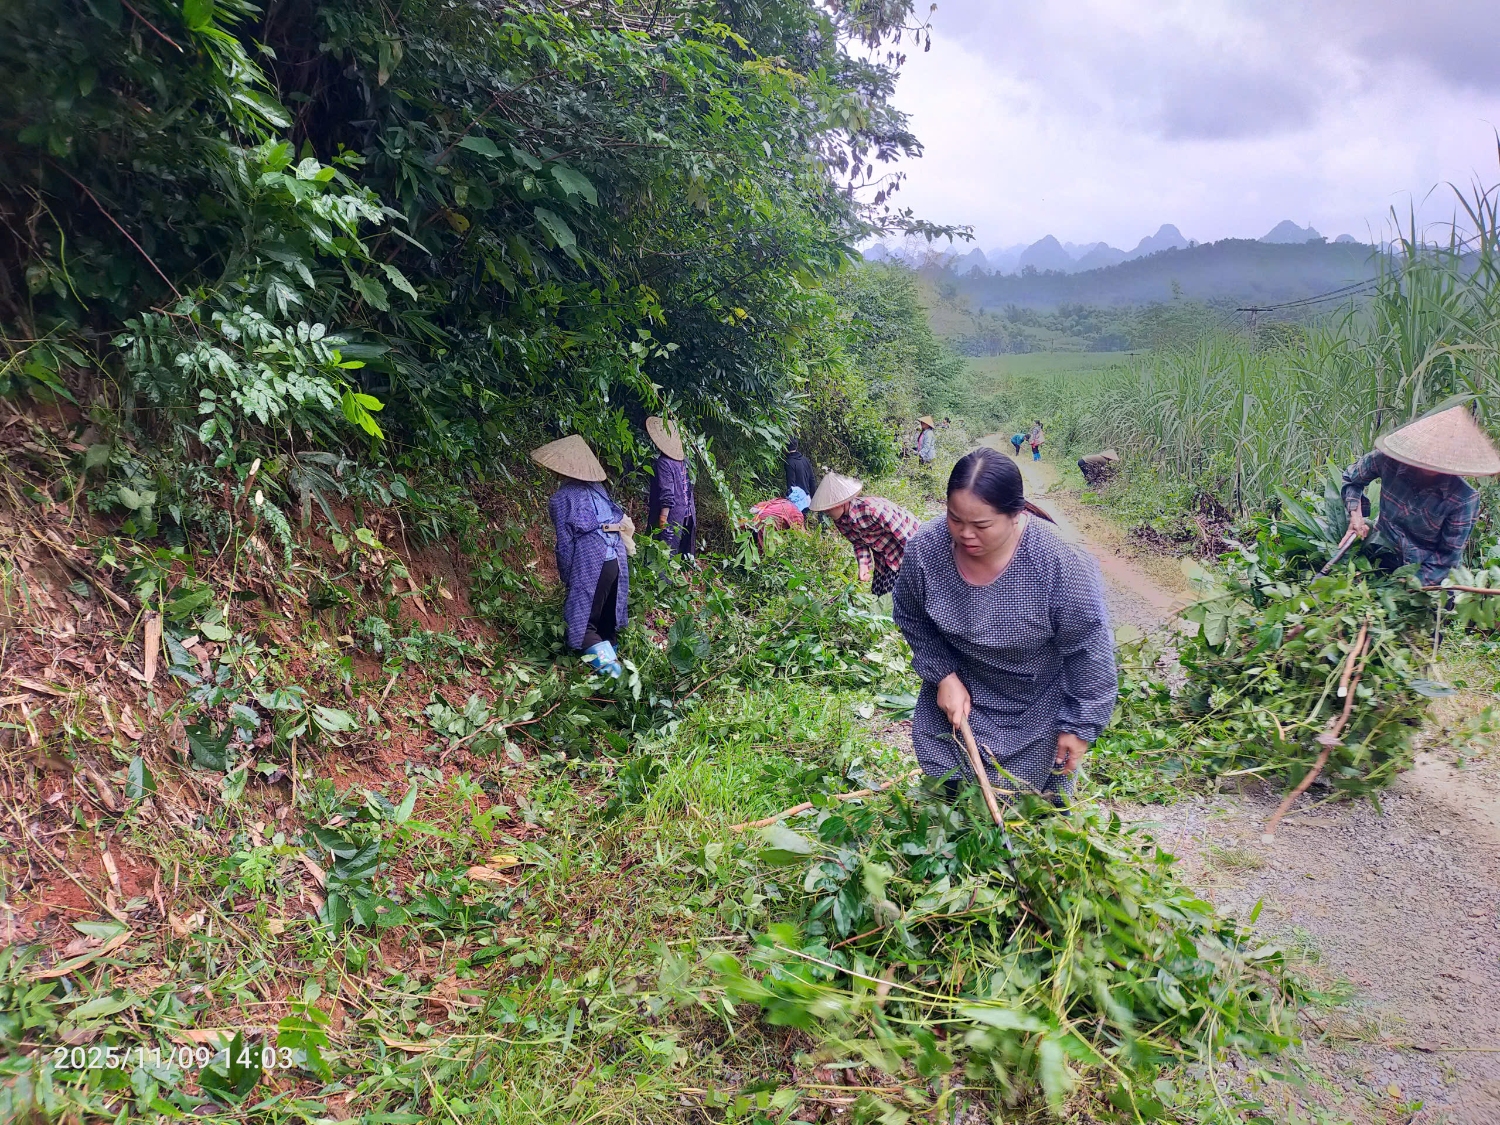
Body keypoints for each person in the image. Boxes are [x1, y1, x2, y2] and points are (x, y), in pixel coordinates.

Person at [894, 446, 1117, 801]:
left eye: (981, 525)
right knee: (950, 787)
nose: (965, 534)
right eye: (955, 519)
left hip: (1037, 695)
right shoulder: (926, 550)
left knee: (1037, 803)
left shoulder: (1059, 562)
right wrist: (944, 676)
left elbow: (1089, 647)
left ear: (1016, 513)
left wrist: (1079, 725)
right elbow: (911, 616)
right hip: (962, 683)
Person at [1341, 406, 1500, 586]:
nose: (1430, 463)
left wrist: (1407, 586)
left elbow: (1446, 560)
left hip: (1427, 577)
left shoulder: (1463, 499)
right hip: (1381, 554)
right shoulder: (1388, 460)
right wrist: (1356, 514)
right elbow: (1351, 479)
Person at [532, 435, 634, 678]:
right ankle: (608, 690)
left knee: (583, 626)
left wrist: (568, 577)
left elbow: (565, 545)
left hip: (593, 558)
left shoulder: (561, 498)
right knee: (606, 624)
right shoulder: (598, 489)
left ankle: (617, 680)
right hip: (617, 556)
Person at [810, 472, 920, 595]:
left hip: (906, 549)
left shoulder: (872, 509)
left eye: (829, 508)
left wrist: (916, 565)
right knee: (878, 593)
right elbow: (858, 543)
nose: (827, 512)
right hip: (883, 556)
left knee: (894, 597)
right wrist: (864, 566)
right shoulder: (840, 521)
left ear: (840, 503)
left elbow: (907, 537)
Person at [645, 416, 696, 557]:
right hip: (687, 515)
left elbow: (668, 492)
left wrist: (663, 519)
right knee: (676, 558)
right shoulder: (684, 460)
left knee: (660, 558)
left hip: (672, 517)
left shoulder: (664, 463)